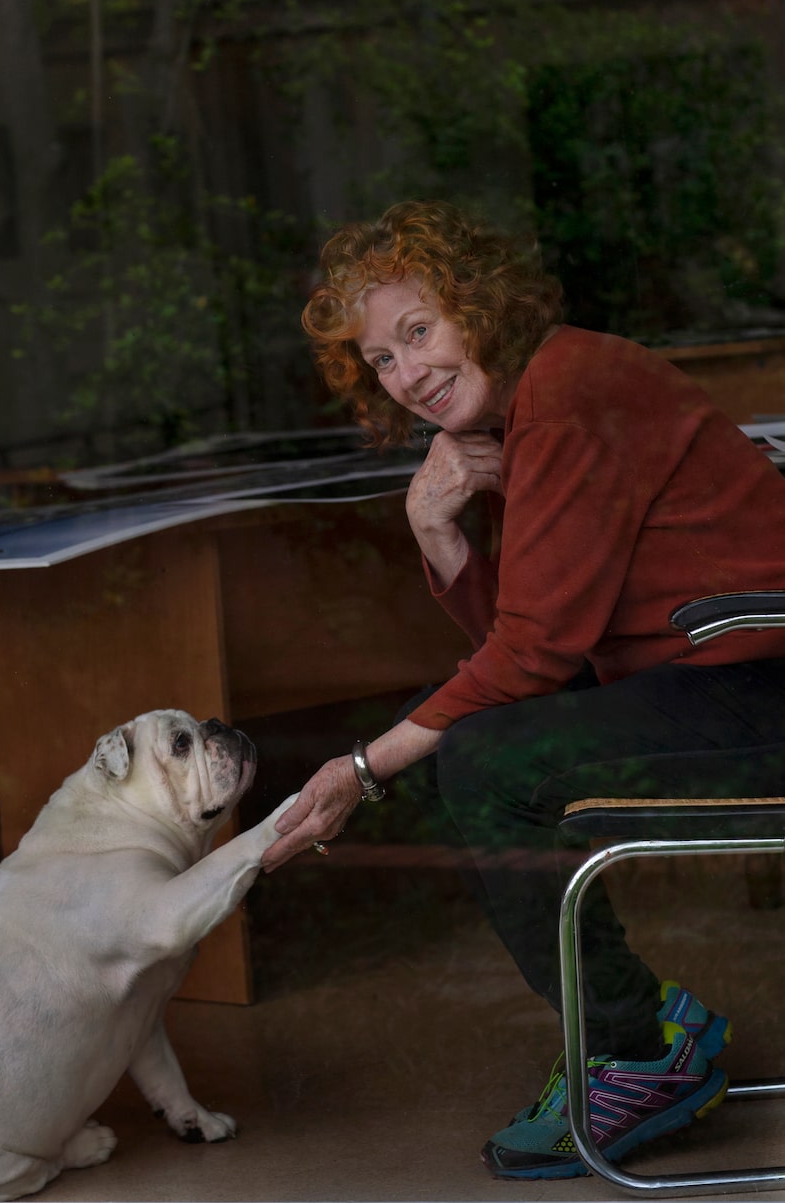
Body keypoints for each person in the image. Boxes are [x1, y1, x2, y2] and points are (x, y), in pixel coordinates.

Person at [260, 199, 785, 1180]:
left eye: (418, 331)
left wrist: (360, 767)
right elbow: (531, 652)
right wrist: (438, 531)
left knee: (481, 759)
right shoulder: (533, 404)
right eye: (380, 359)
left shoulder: (572, 386)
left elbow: (534, 655)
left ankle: (633, 1047)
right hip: (719, 678)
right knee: (485, 745)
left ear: (476, 305)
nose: (407, 373)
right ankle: (633, 1031)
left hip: (762, 679)